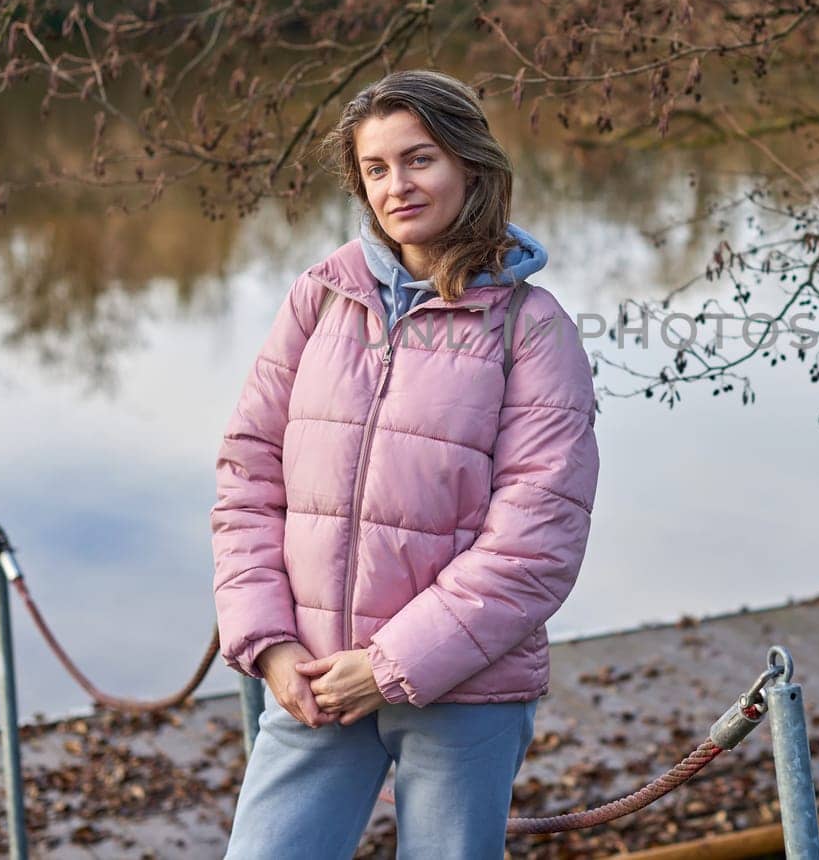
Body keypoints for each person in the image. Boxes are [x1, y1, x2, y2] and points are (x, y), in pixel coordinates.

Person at [210, 69, 600, 859]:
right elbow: (247, 479)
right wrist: (270, 644)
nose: (397, 186)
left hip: (464, 688)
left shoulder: (534, 329)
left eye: (419, 159)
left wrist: (388, 666)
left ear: (470, 164)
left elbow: (535, 546)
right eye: (376, 169)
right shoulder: (321, 298)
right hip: (313, 678)